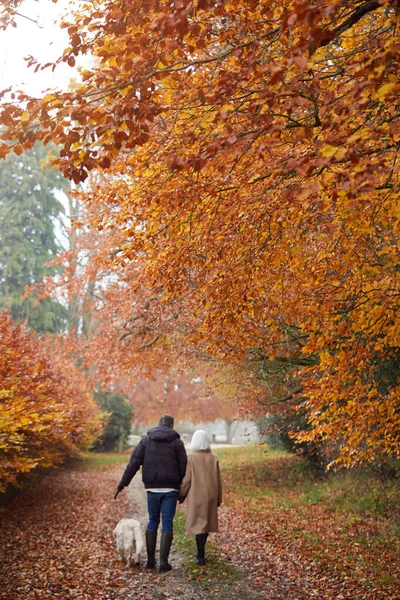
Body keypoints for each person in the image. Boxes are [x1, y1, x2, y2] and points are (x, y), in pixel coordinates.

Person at [114, 414, 187, 572]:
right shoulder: (177, 443)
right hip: (170, 489)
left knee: (153, 520)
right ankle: (163, 562)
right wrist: (180, 486)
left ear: (159, 424)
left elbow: (133, 463)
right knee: (167, 523)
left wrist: (122, 483)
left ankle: (151, 561)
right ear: (171, 426)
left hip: (152, 488)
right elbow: (183, 467)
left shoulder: (146, 441)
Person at [178, 429, 222, 565]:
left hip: (196, 494)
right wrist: (219, 498)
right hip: (211, 495)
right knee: (206, 524)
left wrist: (181, 494)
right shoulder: (214, 458)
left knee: (198, 525)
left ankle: (200, 555)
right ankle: (201, 552)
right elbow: (218, 479)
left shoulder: (190, 458)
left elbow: (187, 479)